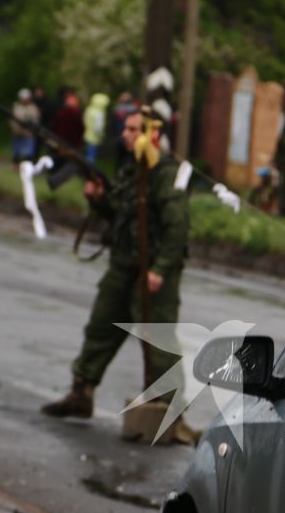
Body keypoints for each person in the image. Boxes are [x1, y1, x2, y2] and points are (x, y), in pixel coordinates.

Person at [40, 110, 202, 446]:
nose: (125, 134)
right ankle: (81, 392)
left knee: (159, 342)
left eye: (132, 129)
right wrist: (98, 200)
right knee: (100, 326)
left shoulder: (165, 174)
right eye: (125, 128)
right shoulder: (131, 169)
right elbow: (120, 214)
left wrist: (160, 269)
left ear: (152, 134)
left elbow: (177, 228)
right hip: (123, 265)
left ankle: (172, 415)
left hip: (153, 271)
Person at [10, 88, 40, 164]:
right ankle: (16, 166)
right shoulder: (16, 106)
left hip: (28, 133)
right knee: (16, 152)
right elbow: (11, 119)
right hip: (17, 133)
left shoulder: (33, 108)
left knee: (29, 152)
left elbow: (36, 119)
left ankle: (27, 167)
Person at [84, 92, 110, 165]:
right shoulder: (99, 113)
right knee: (91, 156)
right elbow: (99, 127)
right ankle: (89, 170)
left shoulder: (89, 109)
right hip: (94, 138)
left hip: (87, 135)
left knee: (87, 154)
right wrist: (102, 135)